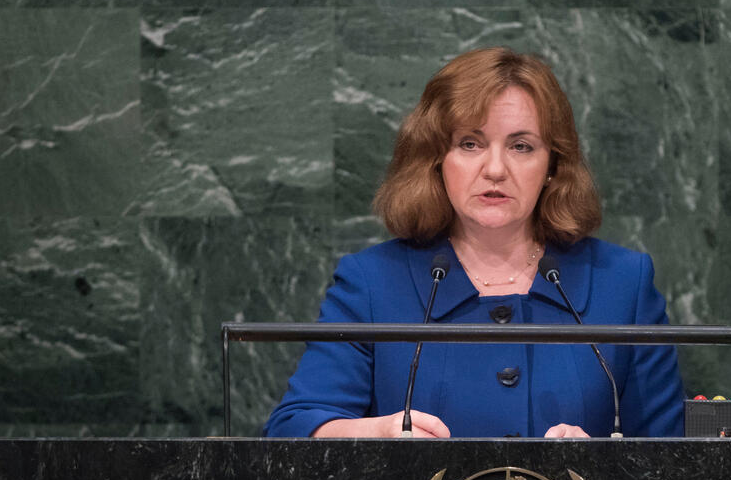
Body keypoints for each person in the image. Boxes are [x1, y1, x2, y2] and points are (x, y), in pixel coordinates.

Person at [265, 47, 684, 438]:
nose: (495, 169)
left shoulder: (623, 283)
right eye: (470, 144)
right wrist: (380, 435)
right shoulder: (373, 282)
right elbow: (293, 429)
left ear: (553, 165)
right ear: (436, 159)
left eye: (521, 146)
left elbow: (672, 457)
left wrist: (602, 463)